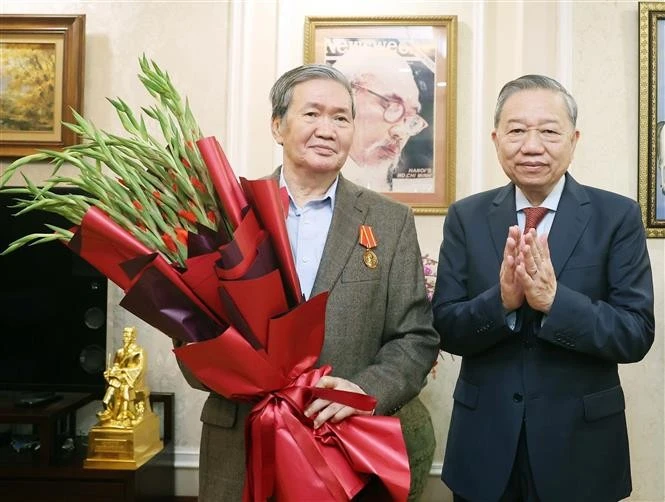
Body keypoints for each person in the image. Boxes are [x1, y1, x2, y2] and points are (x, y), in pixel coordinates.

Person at [179, 64, 440, 501]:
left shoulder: (389, 222)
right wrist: (238, 374)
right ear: (278, 125)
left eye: (341, 117)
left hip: (348, 448)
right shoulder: (223, 213)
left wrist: (363, 392)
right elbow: (189, 330)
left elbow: (415, 337)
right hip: (240, 446)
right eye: (312, 114)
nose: (328, 129)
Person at [432, 74, 655, 501]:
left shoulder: (617, 217)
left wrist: (555, 302)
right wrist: (502, 302)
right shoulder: (467, 216)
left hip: (582, 451)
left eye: (549, 131)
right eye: (516, 131)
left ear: (573, 139)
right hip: (485, 448)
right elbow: (444, 325)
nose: (531, 145)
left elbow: (635, 334)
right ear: (497, 139)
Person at [333, 46, 429, 192]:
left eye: (410, 118)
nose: (401, 132)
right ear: (348, 94)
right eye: (391, 106)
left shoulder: (396, 210)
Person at [98, 326, 148, 426]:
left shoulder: (139, 351)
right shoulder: (120, 352)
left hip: (132, 379)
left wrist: (123, 371)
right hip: (120, 378)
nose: (125, 335)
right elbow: (116, 364)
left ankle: (124, 414)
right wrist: (111, 371)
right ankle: (109, 410)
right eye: (124, 333)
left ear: (133, 337)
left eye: (128, 333)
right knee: (113, 386)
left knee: (121, 386)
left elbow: (140, 368)